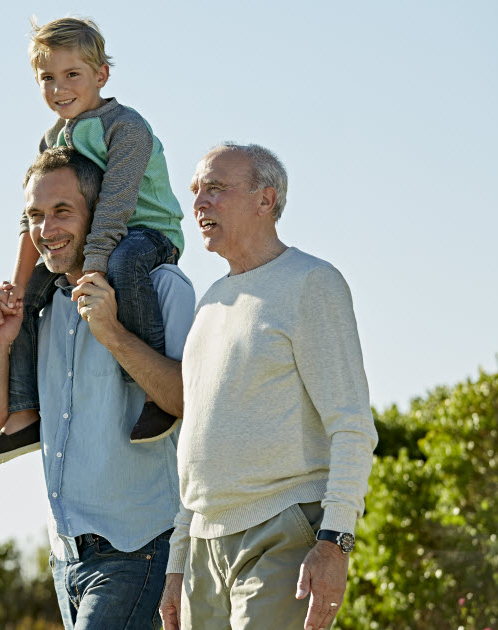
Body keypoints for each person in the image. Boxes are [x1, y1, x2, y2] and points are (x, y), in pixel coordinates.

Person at [0, 147, 195, 628]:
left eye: (62, 212)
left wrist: (112, 332)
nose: (46, 229)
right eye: (35, 216)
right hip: (65, 559)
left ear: (100, 214)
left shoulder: (161, 287)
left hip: (142, 549)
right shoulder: (42, 309)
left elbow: (183, 402)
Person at [158, 144, 378, 630]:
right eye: (196, 191)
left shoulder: (312, 282)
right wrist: (177, 564)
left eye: (216, 188)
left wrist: (335, 540)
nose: (199, 203)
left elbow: (352, 426)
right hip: (201, 548)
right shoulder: (210, 303)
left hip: (282, 534)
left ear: (266, 199)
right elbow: (194, 450)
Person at [0, 16, 187, 467]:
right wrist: (18, 286)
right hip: (97, 239)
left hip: (146, 232)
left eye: (72, 75)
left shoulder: (126, 128)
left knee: (124, 263)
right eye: (47, 77)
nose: (58, 88)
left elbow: (114, 207)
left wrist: (93, 270)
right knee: (29, 298)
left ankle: (154, 393)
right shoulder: (51, 139)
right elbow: (34, 217)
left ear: (101, 75)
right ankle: (25, 415)